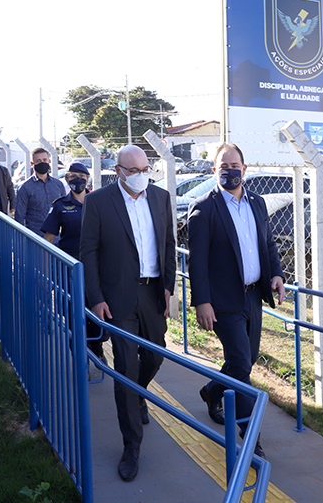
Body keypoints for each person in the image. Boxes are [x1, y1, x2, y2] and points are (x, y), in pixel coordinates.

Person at [80, 145, 176, 482]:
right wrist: (96, 298)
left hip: (152, 293)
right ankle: (132, 445)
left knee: (153, 357)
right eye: (133, 170)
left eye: (145, 168)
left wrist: (169, 288)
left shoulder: (160, 198)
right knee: (125, 366)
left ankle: (138, 396)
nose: (141, 175)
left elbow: (168, 245)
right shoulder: (99, 201)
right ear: (118, 171)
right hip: (118, 297)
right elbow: (88, 252)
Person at [187, 143, 285, 459]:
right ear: (214, 169)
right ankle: (250, 438)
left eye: (235, 164)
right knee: (242, 365)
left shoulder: (257, 203)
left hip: (253, 296)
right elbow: (197, 262)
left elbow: (267, 243)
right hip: (223, 302)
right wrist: (202, 301)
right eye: (223, 165)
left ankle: (212, 390)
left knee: (247, 358)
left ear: (245, 168)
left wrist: (277, 274)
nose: (230, 169)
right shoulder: (204, 208)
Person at [41, 162, 106, 361]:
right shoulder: (60, 205)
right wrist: (46, 272)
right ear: (67, 179)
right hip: (70, 268)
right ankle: (80, 358)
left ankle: (97, 347)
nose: (77, 179)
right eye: (72, 176)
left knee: (98, 311)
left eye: (81, 175)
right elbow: (49, 240)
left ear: (87, 178)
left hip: (96, 267)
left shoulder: (99, 201)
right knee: (72, 314)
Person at [14, 147, 65, 236]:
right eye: (38, 161)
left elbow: (64, 211)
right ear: (32, 164)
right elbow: (20, 217)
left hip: (57, 239)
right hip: (35, 238)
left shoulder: (58, 185)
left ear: (49, 161)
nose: (42, 163)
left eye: (45, 160)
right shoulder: (25, 187)